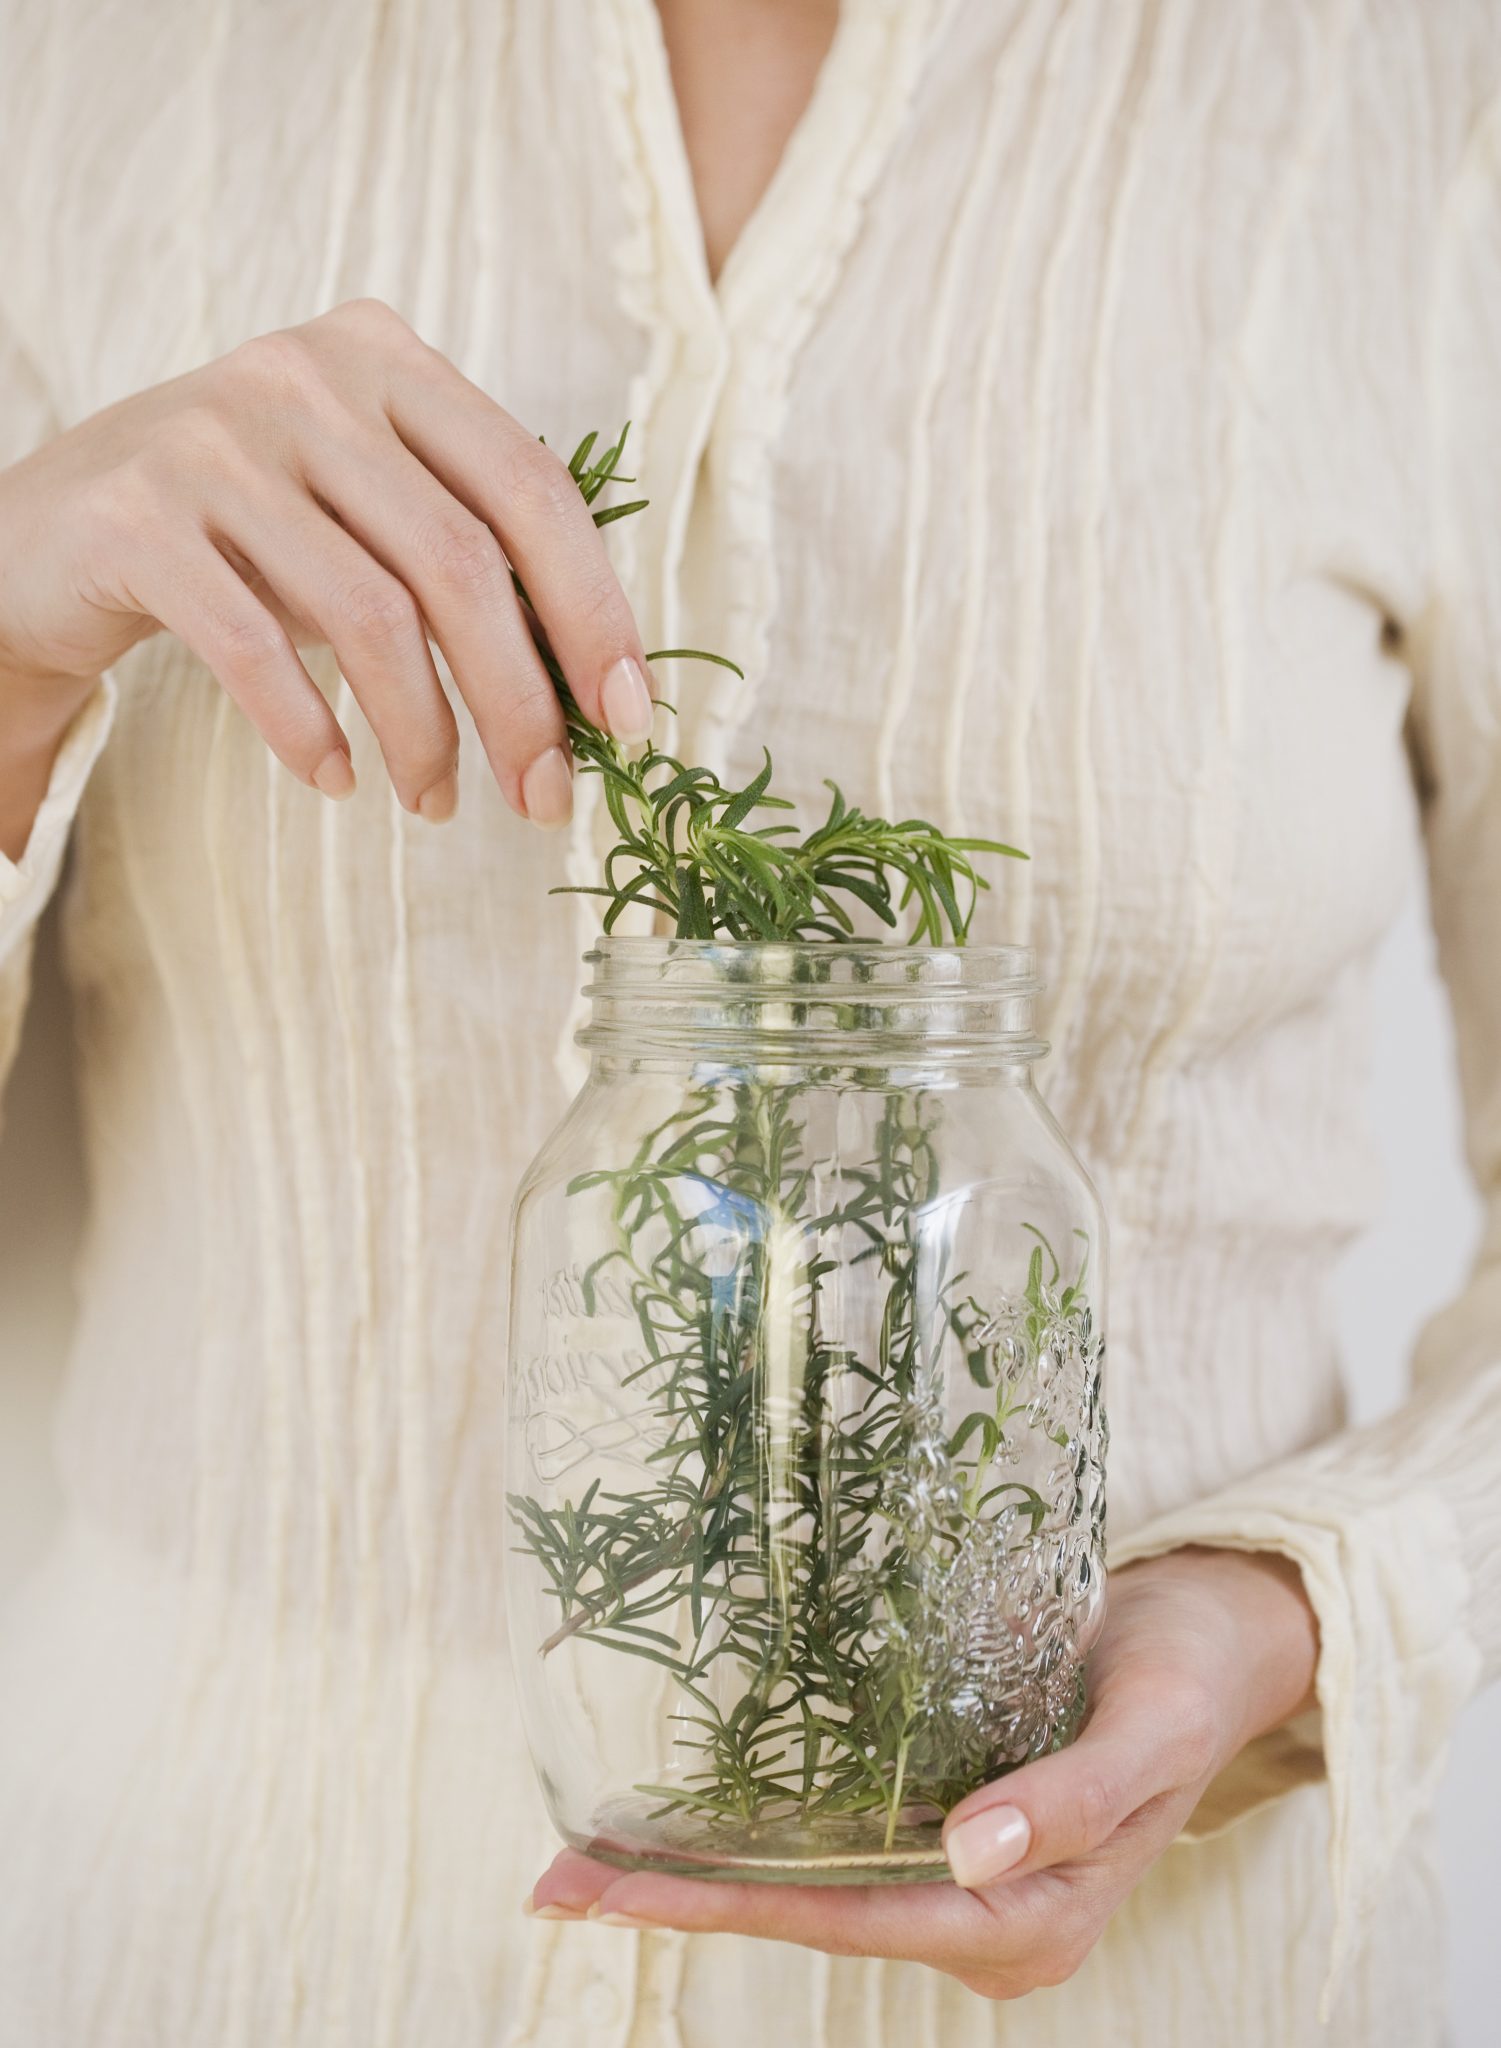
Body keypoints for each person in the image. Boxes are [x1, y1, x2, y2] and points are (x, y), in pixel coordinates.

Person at [0, 2, 1496, 2042]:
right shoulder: (84, 72)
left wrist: (1297, 1600)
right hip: (207, 1945)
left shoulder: (1427, 110)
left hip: (1161, 1980)